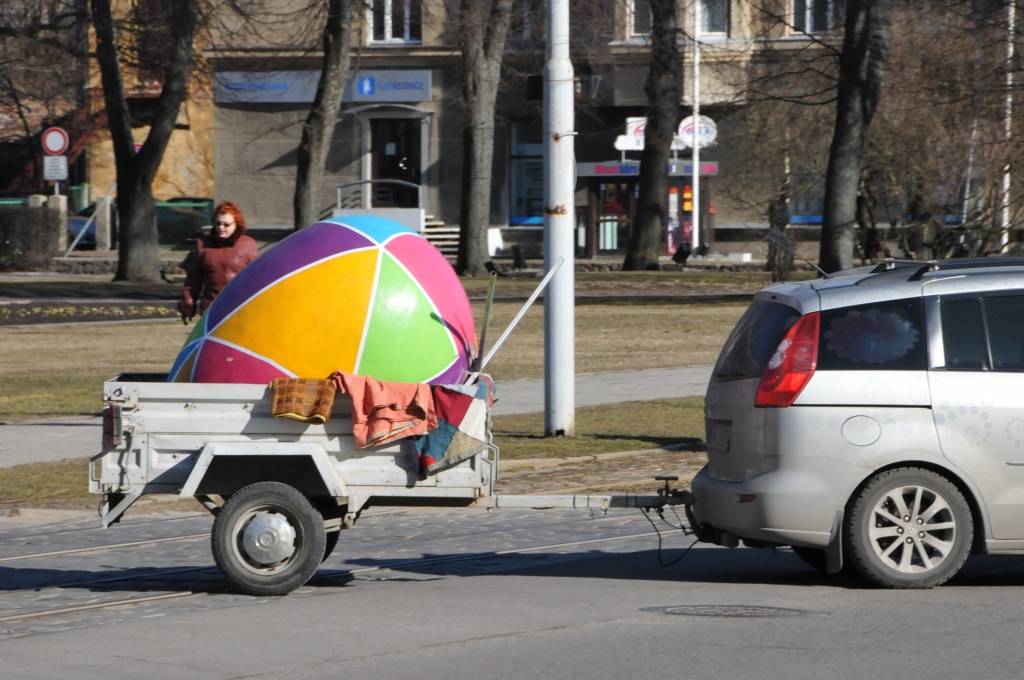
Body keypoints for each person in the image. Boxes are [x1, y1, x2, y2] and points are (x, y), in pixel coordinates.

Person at [178, 201, 259, 323]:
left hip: (240, 308)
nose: (221, 228)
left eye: (226, 225)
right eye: (218, 223)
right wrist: (188, 302)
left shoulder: (248, 244)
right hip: (211, 309)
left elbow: (258, 277)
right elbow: (193, 280)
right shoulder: (202, 245)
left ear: (236, 224)